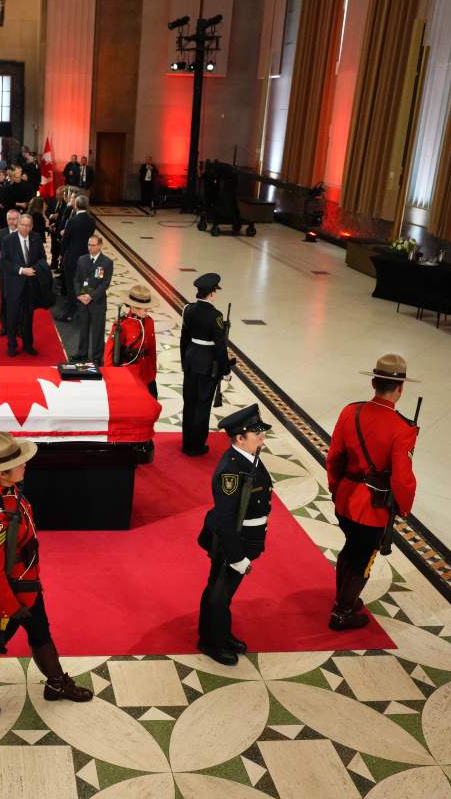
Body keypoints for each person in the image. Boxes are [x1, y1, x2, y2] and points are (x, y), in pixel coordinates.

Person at [0, 431, 93, 717]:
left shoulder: (5, 490)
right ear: (2, 472)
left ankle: (56, 684)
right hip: (7, 597)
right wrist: (10, 608)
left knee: (41, 632)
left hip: (27, 585)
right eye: (19, 462)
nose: (25, 464)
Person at [325, 355, 419, 630]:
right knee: (363, 556)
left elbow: (334, 457)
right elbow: (402, 479)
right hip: (371, 508)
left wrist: (335, 487)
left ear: (373, 382)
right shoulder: (403, 429)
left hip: (345, 498)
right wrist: (404, 506)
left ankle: (343, 597)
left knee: (350, 547)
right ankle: (342, 612)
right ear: (400, 388)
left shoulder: (350, 411)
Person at [196, 404, 274, 665]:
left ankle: (221, 633)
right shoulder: (231, 470)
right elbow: (223, 519)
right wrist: (237, 557)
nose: (262, 438)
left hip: (246, 539)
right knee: (218, 593)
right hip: (232, 544)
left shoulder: (249, 456)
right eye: (257, 434)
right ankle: (210, 642)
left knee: (224, 594)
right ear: (240, 438)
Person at [180, 273, 232, 456]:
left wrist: (183, 361)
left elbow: (184, 338)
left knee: (189, 403)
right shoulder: (216, 316)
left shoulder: (188, 309)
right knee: (202, 405)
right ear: (211, 294)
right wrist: (226, 370)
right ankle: (196, 446)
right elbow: (220, 347)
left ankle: (186, 443)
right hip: (207, 365)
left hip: (191, 360)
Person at [0, 214, 45, 357]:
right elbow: (4, 262)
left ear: (31, 227)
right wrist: (21, 270)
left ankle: (28, 345)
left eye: (28, 226)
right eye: (22, 225)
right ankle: (11, 345)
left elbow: (42, 258)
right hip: (14, 284)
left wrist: (36, 269)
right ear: (18, 224)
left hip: (30, 285)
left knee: (28, 316)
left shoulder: (36, 238)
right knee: (12, 316)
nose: (25, 228)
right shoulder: (8, 240)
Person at [104, 284, 159, 397]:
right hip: (129, 374)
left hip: (147, 374)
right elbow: (109, 353)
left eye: (147, 308)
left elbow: (152, 349)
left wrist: (153, 371)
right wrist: (112, 377)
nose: (146, 311)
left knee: (152, 403)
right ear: (133, 307)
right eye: (144, 308)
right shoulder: (122, 325)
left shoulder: (149, 322)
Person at [72, 235, 112, 363]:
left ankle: (96, 357)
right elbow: (76, 279)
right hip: (83, 301)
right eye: (89, 245)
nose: (90, 247)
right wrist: (79, 294)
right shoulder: (81, 259)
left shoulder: (107, 262)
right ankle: (82, 353)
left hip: (97, 302)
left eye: (93, 245)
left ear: (100, 246)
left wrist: (91, 296)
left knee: (98, 331)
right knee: (83, 329)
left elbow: (105, 283)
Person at [56, 194, 94, 323]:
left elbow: (66, 240)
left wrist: (61, 254)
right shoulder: (91, 220)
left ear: (76, 205)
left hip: (72, 258)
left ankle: (69, 313)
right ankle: (84, 312)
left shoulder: (73, 220)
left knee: (72, 286)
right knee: (85, 286)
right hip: (87, 258)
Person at [0, 210, 19, 338]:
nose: (12, 222)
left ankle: (18, 326)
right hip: (4, 275)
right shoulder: (0, 234)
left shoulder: (24, 233)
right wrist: (8, 269)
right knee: (4, 300)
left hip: (21, 275)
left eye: (15, 219)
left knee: (20, 301)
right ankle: (5, 326)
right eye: (10, 219)